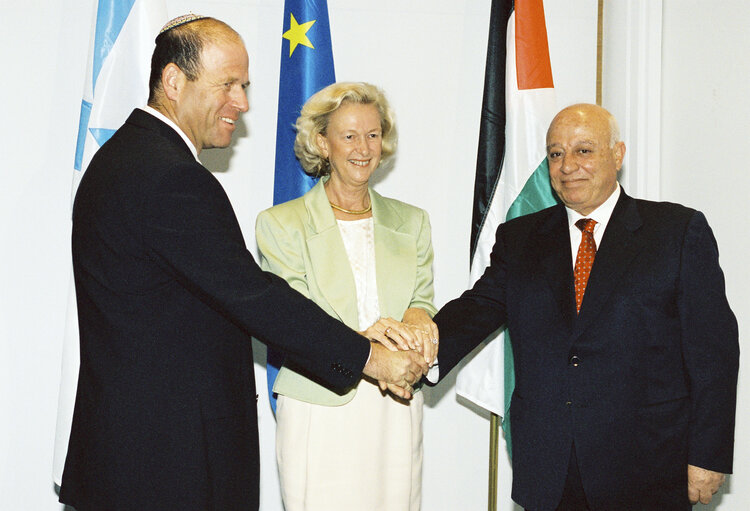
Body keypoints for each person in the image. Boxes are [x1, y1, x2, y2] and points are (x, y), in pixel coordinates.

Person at [59, 16, 428, 511]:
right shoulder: (169, 177)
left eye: (246, 86)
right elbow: (255, 297)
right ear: (173, 82)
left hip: (130, 460)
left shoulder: (123, 160)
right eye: (228, 85)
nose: (244, 103)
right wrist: (373, 358)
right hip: (168, 469)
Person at [431, 104, 739, 511]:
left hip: (647, 468)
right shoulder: (520, 238)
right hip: (550, 470)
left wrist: (707, 455)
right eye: (556, 153)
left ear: (618, 154)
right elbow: (477, 308)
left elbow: (713, 352)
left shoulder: (677, 232)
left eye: (584, 151)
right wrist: (419, 348)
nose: (567, 165)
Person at [256, 82, 439, 511]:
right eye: (349, 135)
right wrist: (366, 343)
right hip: (321, 404)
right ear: (323, 142)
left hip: (394, 401)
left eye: (373, 134)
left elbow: (422, 299)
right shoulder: (281, 224)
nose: (363, 148)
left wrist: (417, 319)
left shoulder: (412, 222)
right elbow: (293, 322)